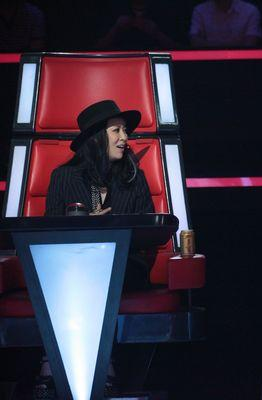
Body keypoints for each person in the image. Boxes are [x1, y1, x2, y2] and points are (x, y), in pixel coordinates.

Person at [37, 100, 155, 399]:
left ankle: (56, 366)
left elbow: (150, 234)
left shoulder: (134, 178)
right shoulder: (64, 178)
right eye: (116, 131)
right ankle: (96, 369)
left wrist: (112, 231)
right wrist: (86, 225)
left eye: (125, 131)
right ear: (96, 138)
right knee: (76, 274)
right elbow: (49, 232)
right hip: (72, 268)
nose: (125, 138)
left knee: (96, 275)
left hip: (125, 267)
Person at [189, 0, 262, 48]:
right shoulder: (200, 11)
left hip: (241, 63)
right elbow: (194, 40)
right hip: (208, 62)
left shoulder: (250, 11)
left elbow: (250, 45)